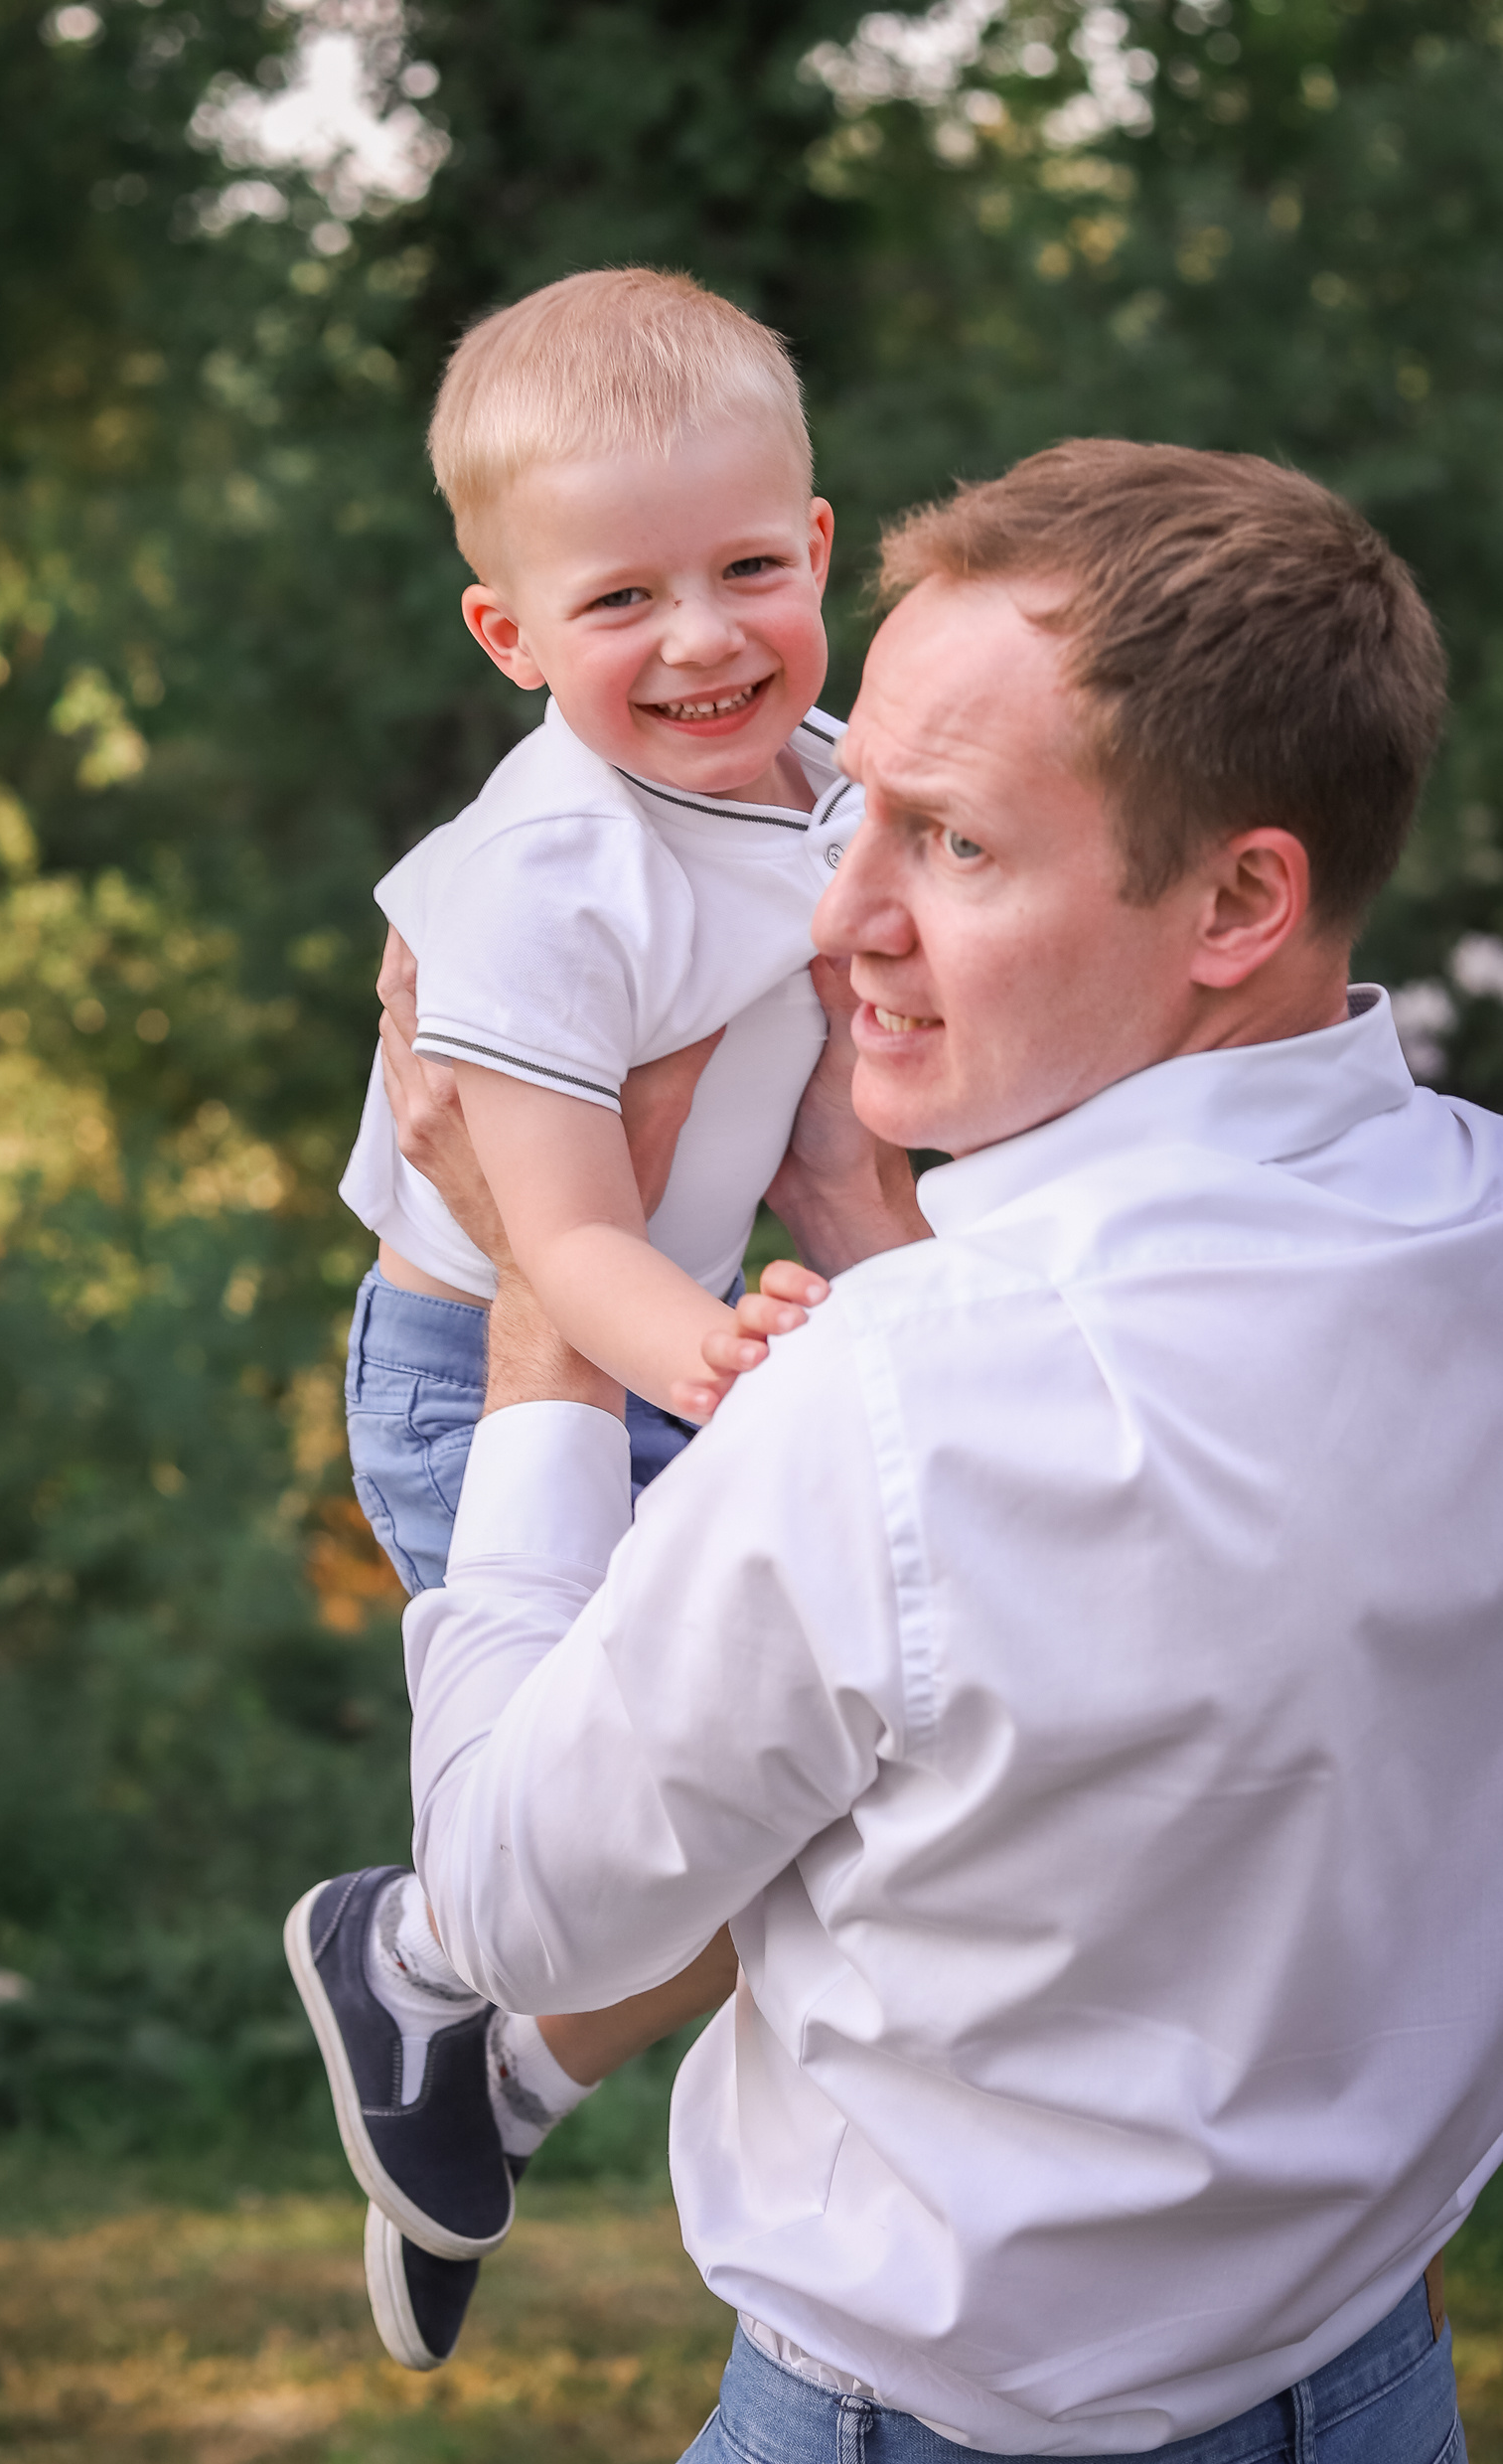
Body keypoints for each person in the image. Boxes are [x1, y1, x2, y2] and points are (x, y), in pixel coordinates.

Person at [372, 441, 1503, 2455]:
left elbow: (517, 1908)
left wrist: (546, 1309)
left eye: (947, 845)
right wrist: (878, 1238)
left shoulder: (888, 1400)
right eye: (846, 809)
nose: (835, 912)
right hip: (1377, 2382)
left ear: (1239, 895)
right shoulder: (1469, 1243)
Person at [284, 266, 861, 2362]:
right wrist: (713, 1364)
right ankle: (428, 1945)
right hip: (497, 1368)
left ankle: (472, 2045)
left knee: (816, 1782)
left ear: (816, 550)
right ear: (509, 637)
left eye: (737, 568)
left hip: (678, 1336)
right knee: (616, 1821)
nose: (698, 637)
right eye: (618, 601)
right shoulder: (542, 875)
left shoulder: (836, 777)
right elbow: (555, 1233)